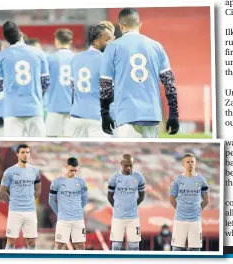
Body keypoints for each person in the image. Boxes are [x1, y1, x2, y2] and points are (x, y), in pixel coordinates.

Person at [100, 8, 179, 138]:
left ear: (120, 25)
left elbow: (105, 84)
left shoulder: (112, 47)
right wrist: (173, 114)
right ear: (140, 25)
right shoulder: (156, 46)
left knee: (129, 154)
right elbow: (169, 82)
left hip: (126, 115)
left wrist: (105, 114)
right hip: (152, 115)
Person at [0, 21, 50, 137]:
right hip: (35, 109)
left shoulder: (2, 56)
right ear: (21, 34)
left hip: (12, 111)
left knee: (14, 147)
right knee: (38, 147)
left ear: (6, 39)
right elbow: (46, 82)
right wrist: (37, 94)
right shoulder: (38, 53)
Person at [65, 24, 115, 137]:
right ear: (95, 41)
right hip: (98, 119)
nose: (110, 43)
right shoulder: (107, 60)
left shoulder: (76, 58)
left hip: (76, 117)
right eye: (107, 39)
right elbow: (110, 92)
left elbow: (73, 89)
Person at [0, 144, 41, 249]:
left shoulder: (35, 171)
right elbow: (2, 192)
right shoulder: (10, 171)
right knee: (11, 241)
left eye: (27, 152)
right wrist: (13, 203)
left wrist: (29, 201)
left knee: (32, 242)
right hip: (15, 211)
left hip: (30, 211)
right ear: (17, 154)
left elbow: (38, 189)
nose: (25, 155)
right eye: (22, 152)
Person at [170, 153, 209, 251]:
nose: (190, 164)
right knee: (176, 248)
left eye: (192, 162)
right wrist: (180, 210)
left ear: (195, 164)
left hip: (195, 220)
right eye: (188, 162)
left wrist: (197, 210)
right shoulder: (178, 180)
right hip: (180, 219)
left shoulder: (201, 180)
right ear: (183, 164)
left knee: (195, 249)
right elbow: (171, 199)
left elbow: (206, 200)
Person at [107, 154, 145, 251]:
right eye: (126, 165)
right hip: (118, 218)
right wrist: (117, 207)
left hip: (133, 218)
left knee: (135, 246)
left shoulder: (139, 177)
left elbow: (142, 196)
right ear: (121, 164)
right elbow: (110, 197)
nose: (128, 168)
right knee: (116, 246)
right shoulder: (114, 178)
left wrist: (132, 206)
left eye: (130, 165)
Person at [49, 157, 88, 250]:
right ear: (66, 167)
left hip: (78, 219)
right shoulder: (57, 182)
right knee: (59, 245)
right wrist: (59, 214)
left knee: (81, 246)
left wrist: (78, 210)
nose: (73, 173)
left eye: (75, 171)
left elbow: (85, 199)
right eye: (71, 170)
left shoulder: (81, 182)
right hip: (63, 220)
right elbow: (51, 201)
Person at [45, 28, 75, 137]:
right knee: (71, 142)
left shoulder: (50, 58)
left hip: (54, 105)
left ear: (56, 41)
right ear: (70, 41)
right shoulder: (77, 58)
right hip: (73, 108)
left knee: (50, 139)